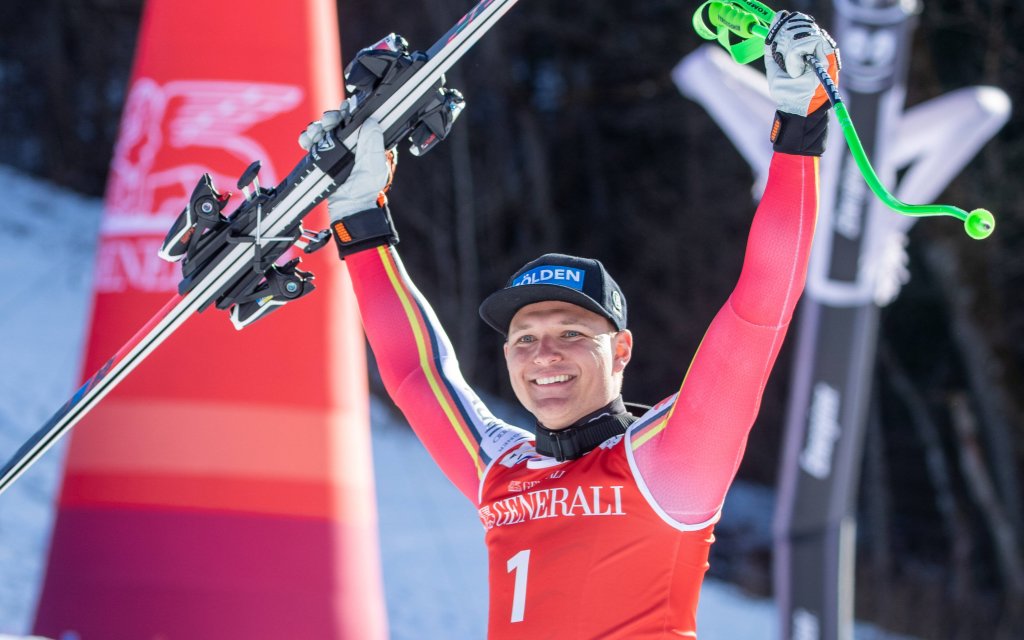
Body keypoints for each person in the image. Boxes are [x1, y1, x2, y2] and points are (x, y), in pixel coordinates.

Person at [301, 11, 840, 639]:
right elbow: (414, 371)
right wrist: (360, 221)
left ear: (621, 351)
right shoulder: (500, 467)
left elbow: (758, 311)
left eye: (571, 334)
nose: (543, 356)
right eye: (524, 339)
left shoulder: (667, 463)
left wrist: (800, 129)